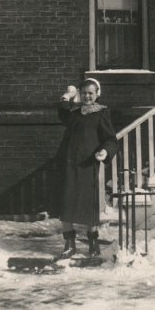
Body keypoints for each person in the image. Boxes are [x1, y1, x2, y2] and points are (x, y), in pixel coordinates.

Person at [55, 78, 118, 258]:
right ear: (79, 94)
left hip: (87, 164)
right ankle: (69, 243)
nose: (87, 96)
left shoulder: (101, 113)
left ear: (97, 94)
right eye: (84, 93)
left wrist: (105, 152)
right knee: (66, 203)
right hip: (68, 164)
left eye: (91, 93)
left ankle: (93, 242)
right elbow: (62, 110)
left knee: (89, 206)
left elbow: (111, 139)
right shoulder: (74, 113)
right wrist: (67, 95)